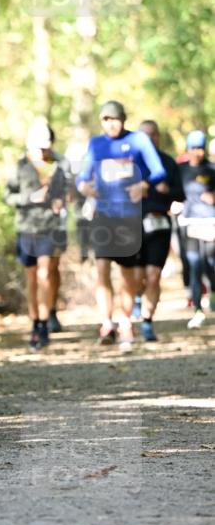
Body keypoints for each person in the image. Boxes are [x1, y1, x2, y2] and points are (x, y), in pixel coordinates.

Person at [76, 100, 168, 351]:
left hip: (129, 217)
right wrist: (84, 187)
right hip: (103, 216)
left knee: (128, 275)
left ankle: (125, 321)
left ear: (123, 119)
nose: (111, 124)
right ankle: (106, 323)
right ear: (101, 122)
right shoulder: (96, 144)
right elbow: (82, 177)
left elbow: (158, 171)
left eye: (115, 119)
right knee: (102, 269)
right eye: (106, 119)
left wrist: (144, 184)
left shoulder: (138, 141)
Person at [4, 121, 68, 350]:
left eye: (46, 146)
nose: (43, 151)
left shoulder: (60, 164)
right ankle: (35, 323)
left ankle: (44, 322)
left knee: (46, 273)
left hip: (51, 226)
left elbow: (70, 190)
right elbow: (8, 196)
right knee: (32, 278)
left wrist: (61, 200)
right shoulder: (21, 166)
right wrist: (29, 199)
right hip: (26, 227)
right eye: (39, 147)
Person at [131, 120, 184, 341]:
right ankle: (136, 297)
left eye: (153, 135)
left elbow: (180, 194)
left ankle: (147, 322)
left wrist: (165, 190)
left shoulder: (168, 163)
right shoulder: (129, 162)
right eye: (144, 135)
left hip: (159, 223)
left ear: (158, 137)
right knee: (136, 276)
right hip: (132, 225)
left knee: (153, 276)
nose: (149, 139)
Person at [175, 130, 215, 328]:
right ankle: (197, 309)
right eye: (193, 148)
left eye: (200, 148)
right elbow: (172, 192)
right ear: (188, 149)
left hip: (210, 221)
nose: (197, 152)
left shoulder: (212, 169)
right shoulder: (180, 170)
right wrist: (173, 203)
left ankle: (213, 295)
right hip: (189, 222)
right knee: (193, 263)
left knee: (210, 262)